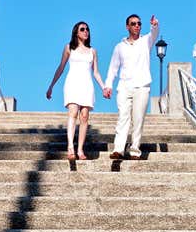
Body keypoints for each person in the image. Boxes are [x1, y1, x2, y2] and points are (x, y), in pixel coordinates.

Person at [46, 21, 106, 160]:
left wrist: (104, 87)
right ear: (76, 32)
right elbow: (61, 67)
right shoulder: (69, 48)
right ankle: (70, 147)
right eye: (82, 29)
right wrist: (51, 86)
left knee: (84, 116)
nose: (86, 31)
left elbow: (96, 72)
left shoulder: (93, 51)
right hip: (72, 83)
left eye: (87, 29)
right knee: (73, 112)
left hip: (87, 84)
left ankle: (80, 150)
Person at [102, 13, 159, 160]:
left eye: (139, 23)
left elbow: (155, 33)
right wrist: (108, 85)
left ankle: (134, 150)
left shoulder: (146, 41)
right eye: (133, 23)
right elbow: (113, 68)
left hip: (142, 86)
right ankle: (118, 149)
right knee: (123, 117)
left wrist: (154, 25)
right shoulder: (119, 47)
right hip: (124, 86)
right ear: (127, 26)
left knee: (138, 119)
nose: (137, 26)